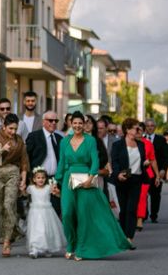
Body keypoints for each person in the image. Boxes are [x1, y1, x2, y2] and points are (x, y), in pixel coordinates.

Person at [53, 111, 131, 260]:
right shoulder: (64, 141)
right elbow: (61, 162)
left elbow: (95, 161)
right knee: (68, 213)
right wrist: (56, 181)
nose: (77, 126)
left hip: (86, 180)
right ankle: (71, 244)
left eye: (80, 123)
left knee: (83, 216)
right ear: (70, 124)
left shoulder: (90, 140)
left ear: (84, 124)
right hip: (68, 179)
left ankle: (81, 249)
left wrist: (91, 177)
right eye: (74, 123)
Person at [0, 113, 29, 257]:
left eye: (15, 129)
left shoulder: (19, 141)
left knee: (9, 204)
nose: (13, 132)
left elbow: (24, 162)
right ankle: (14, 230)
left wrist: (23, 180)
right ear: (4, 127)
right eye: (10, 128)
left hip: (13, 172)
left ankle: (6, 242)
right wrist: (1, 150)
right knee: (0, 208)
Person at [110, 118, 145, 245]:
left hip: (136, 179)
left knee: (132, 209)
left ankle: (129, 238)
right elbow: (115, 162)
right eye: (136, 128)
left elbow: (142, 161)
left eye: (139, 128)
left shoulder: (140, 145)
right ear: (128, 130)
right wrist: (118, 174)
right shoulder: (118, 145)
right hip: (123, 179)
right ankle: (123, 235)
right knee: (123, 209)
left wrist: (145, 164)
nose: (139, 130)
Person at [25, 110, 63, 216]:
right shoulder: (34, 136)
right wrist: (29, 179)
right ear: (43, 122)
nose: (54, 123)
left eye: (56, 120)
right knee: (39, 212)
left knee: (55, 211)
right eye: (50, 120)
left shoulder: (60, 139)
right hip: (39, 180)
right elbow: (26, 159)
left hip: (55, 180)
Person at [25, 167, 66, 258]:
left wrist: (57, 191)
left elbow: (58, 195)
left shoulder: (48, 188)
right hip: (35, 213)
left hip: (47, 212)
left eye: (43, 178)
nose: (41, 180)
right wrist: (21, 187)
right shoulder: (31, 188)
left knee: (47, 230)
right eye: (38, 178)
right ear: (34, 179)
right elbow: (23, 194)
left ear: (46, 179)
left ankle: (47, 247)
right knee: (36, 230)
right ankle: (34, 249)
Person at [135, 122, 161, 230]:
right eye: (136, 130)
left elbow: (153, 160)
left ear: (143, 132)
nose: (137, 132)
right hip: (131, 174)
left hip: (146, 174)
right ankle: (134, 217)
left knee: (142, 196)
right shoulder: (129, 143)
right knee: (133, 198)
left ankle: (140, 219)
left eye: (140, 130)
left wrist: (157, 176)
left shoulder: (148, 144)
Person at [143, 119, 168, 222]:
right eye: (148, 125)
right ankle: (143, 215)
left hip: (156, 172)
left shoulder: (161, 139)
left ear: (155, 127)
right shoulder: (141, 139)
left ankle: (154, 215)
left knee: (155, 194)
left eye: (152, 125)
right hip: (144, 172)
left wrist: (163, 169)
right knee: (143, 194)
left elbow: (166, 157)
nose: (150, 127)